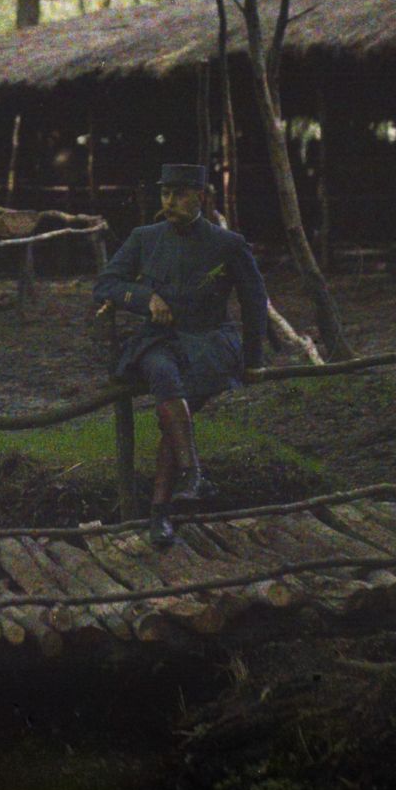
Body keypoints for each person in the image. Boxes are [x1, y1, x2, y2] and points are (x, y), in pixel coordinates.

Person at [93, 163, 268, 548]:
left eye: (179, 194)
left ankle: (161, 513)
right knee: (165, 377)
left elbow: (255, 302)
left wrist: (254, 360)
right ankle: (191, 478)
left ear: (201, 197)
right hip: (159, 341)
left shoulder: (227, 244)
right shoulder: (145, 238)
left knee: (175, 416)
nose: (169, 202)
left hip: (209, 342)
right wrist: (145, 298)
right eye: (164, 194)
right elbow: (106, 283)